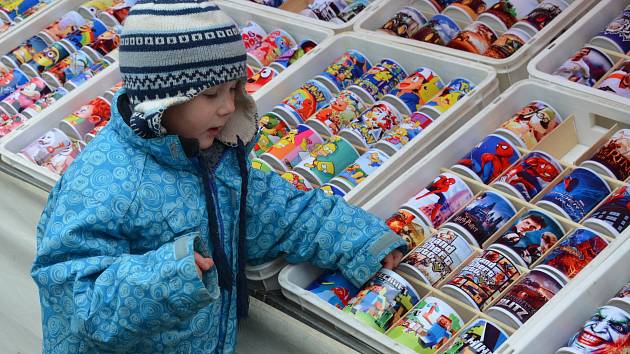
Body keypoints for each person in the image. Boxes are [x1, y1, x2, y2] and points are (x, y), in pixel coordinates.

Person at [30, 1, 406, 353]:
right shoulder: (107, 182)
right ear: (159, 100)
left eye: (233, 90)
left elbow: (277, 211)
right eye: (210, 94)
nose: (228, 107)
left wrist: (357, 238)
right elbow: (73, 297)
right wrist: (170, 276)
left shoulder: (215, 158)